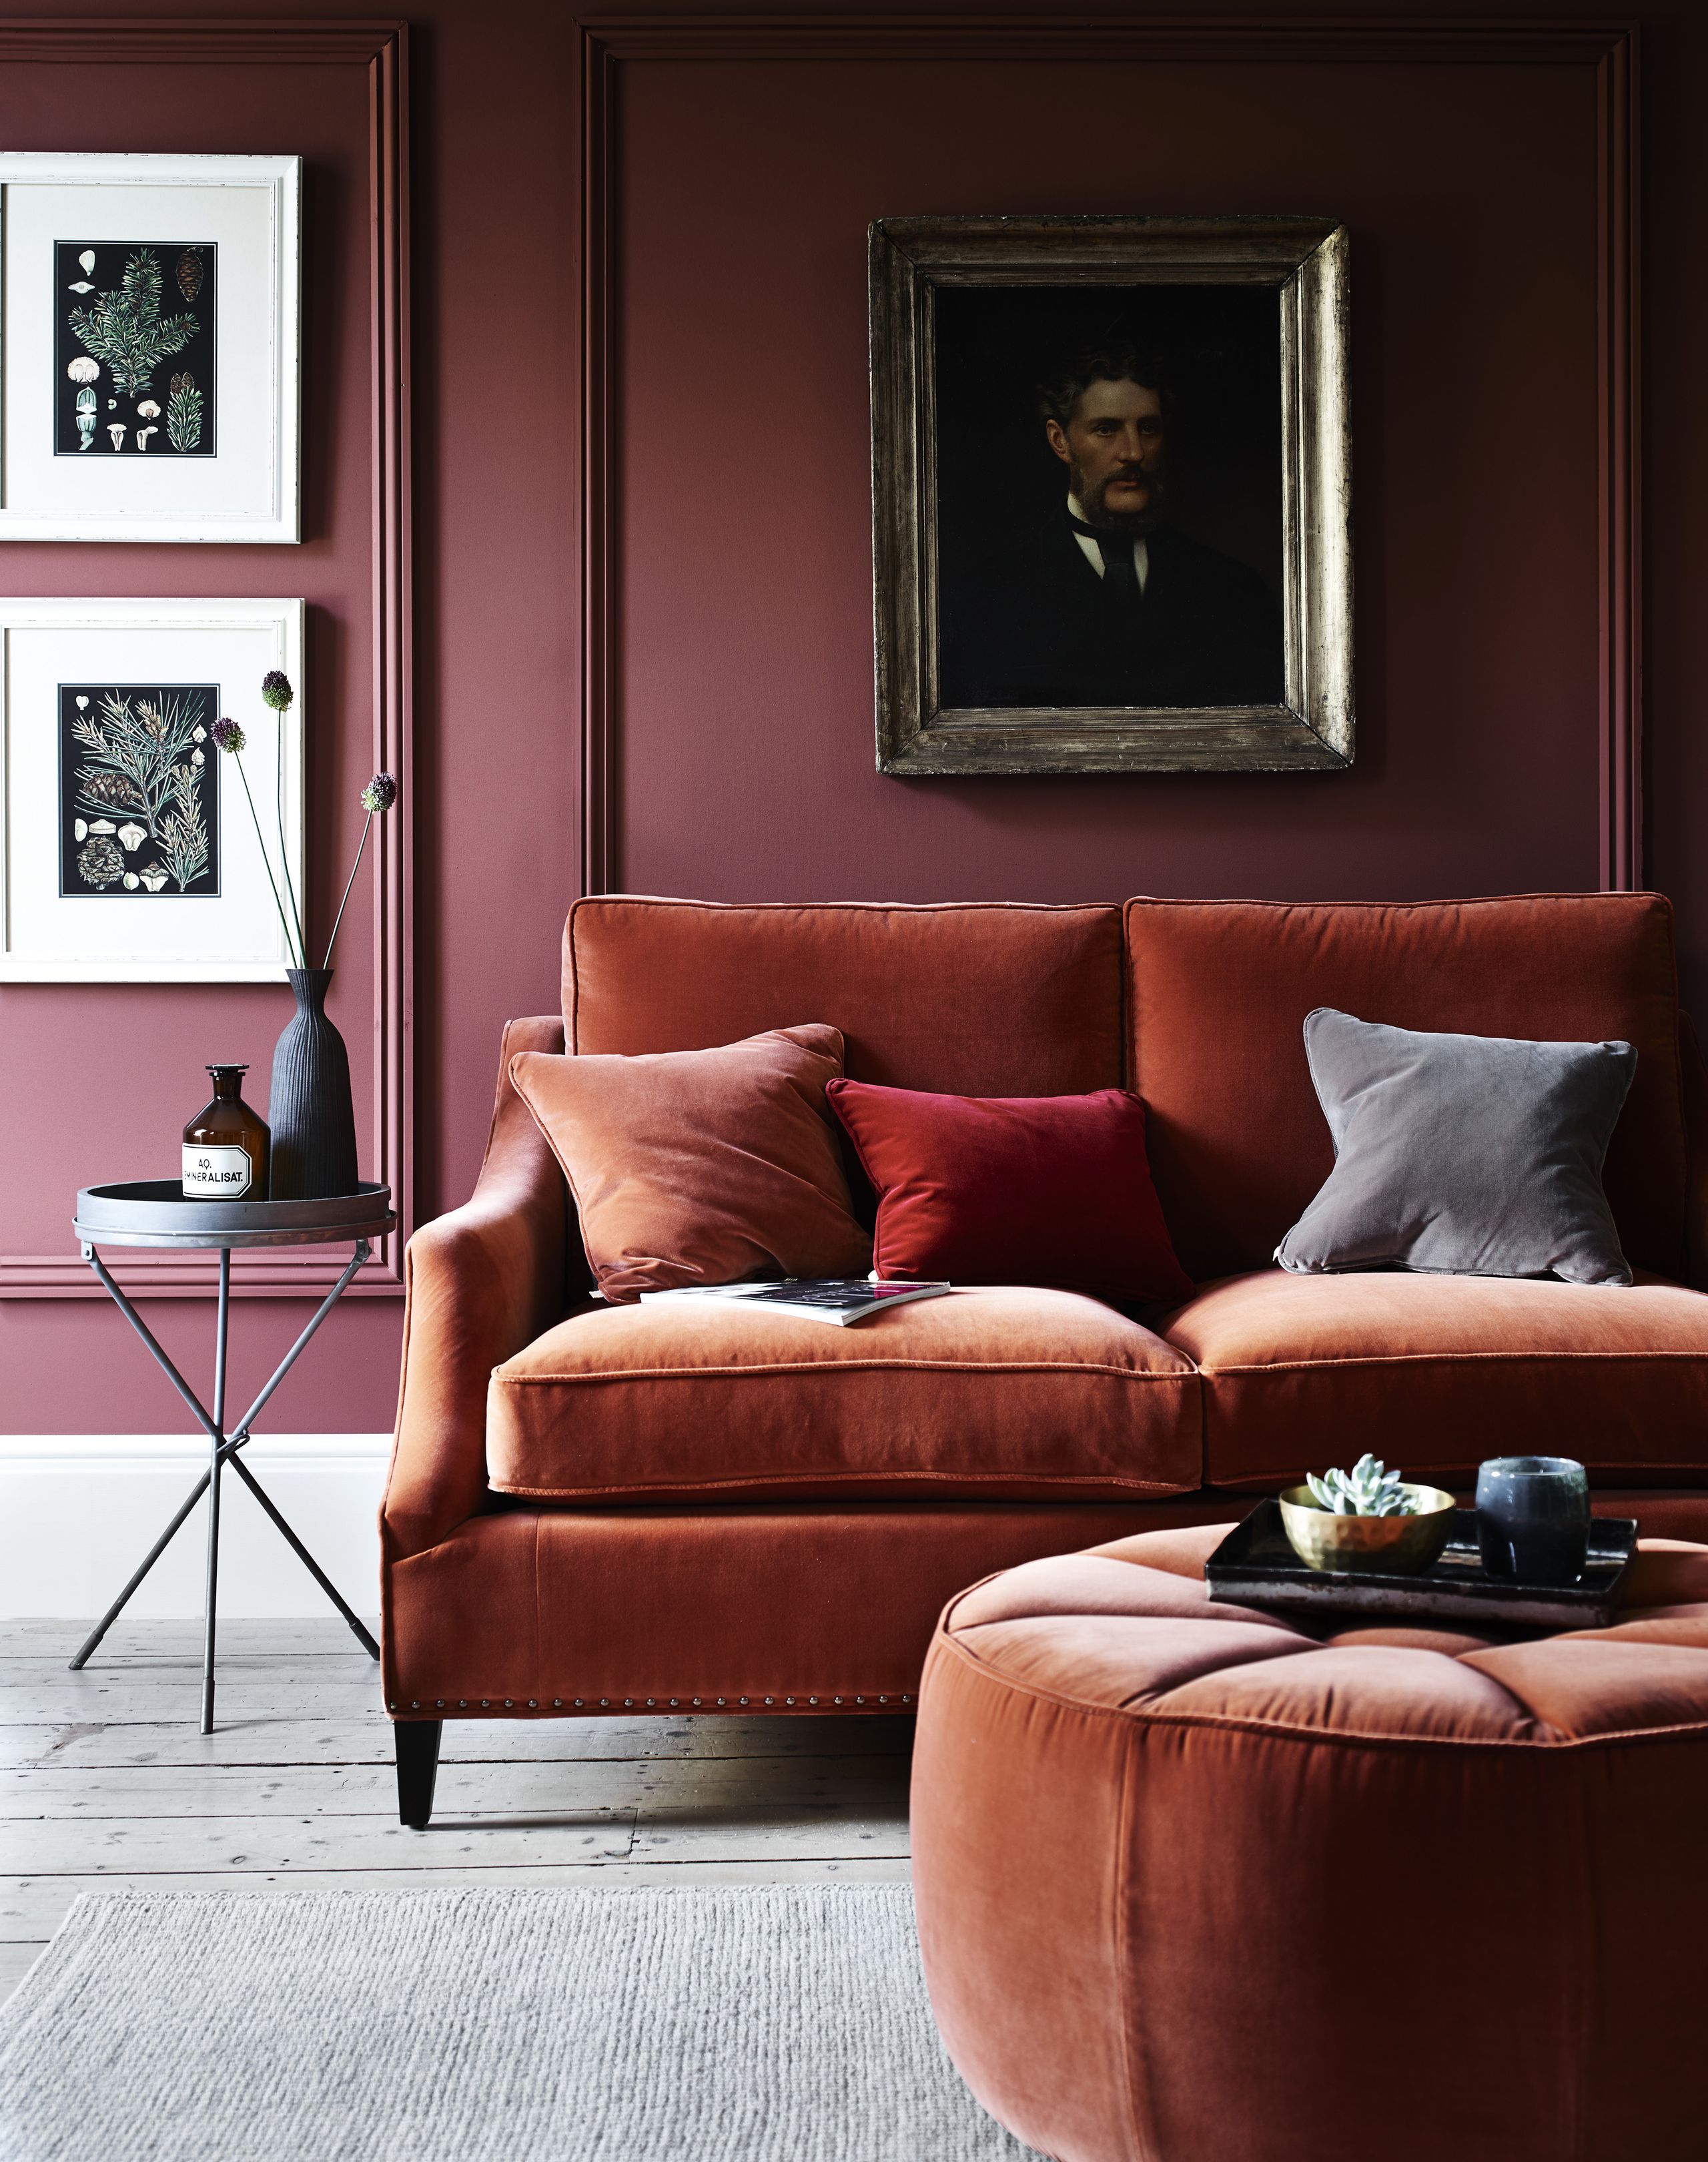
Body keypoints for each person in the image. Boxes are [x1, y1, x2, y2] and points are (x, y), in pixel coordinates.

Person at [939, 344, 1285, 710]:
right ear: (1060, 442)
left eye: (1149, 428)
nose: (1134, 452)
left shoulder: (1234, 590)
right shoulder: (989, 596)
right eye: (1106, 430)